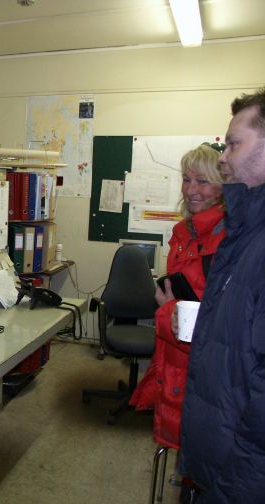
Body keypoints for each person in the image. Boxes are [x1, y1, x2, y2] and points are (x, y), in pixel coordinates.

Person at [180, 87, 265, 503]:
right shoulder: (245, 231)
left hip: (238, 476)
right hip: (217, 451)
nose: (224, 157)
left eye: (234, 143)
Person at [130, 145, 225, 452]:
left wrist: (165, 307)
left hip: (198, 367)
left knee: (197, 458)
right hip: (174, 360)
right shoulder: (183, 232)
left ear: (224, 185)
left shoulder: (227, 238)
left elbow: (199, 323)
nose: (191, 190)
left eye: (203, 181)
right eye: (186, 179)